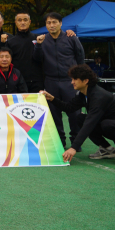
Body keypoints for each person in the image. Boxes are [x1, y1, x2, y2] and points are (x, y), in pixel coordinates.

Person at [41, 64, 115, 163]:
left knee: (107, 124)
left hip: (112, 124)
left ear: (86, 81)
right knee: (81, 118)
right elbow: (69, 108)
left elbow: (90, 123)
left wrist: (74, 147)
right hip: (108, 122)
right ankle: (107, 149)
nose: (72, 82)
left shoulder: (99, 96)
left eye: (75, 79)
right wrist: (52, 99)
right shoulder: (83, 93)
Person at [34, 12, 85, 149]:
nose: (51, 25)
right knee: (54, 114)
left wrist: (79, 79)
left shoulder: (71, 37)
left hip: (70, 81)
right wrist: (38, 45)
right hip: (50, 81)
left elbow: (80, 57)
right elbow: (37, 60)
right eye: (49, 23)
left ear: (61, 23)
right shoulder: (42, 40)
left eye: (54, 22)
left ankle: (75, 142)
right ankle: (59, 142)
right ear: (46, 25)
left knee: (74, 113)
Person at [7, 11, 44, 93]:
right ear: (16, 22)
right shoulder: (10, 42)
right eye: (19, 20)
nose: (22, 22)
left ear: (29, 22)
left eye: (25, 20)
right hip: (18, 81)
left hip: (37, 81)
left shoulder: (38, 39)